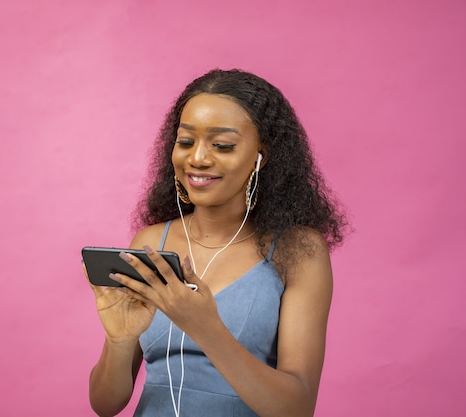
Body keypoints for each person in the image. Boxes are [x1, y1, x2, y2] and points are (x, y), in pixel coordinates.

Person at [86, 68, 346, 417]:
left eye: (222, 145)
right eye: (186, 141)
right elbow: (105, 404)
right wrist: (118, 344)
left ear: (260, 157)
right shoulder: (151, 242)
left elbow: (297, 409)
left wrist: (206, 328)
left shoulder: (298, 251)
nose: (198, 158)